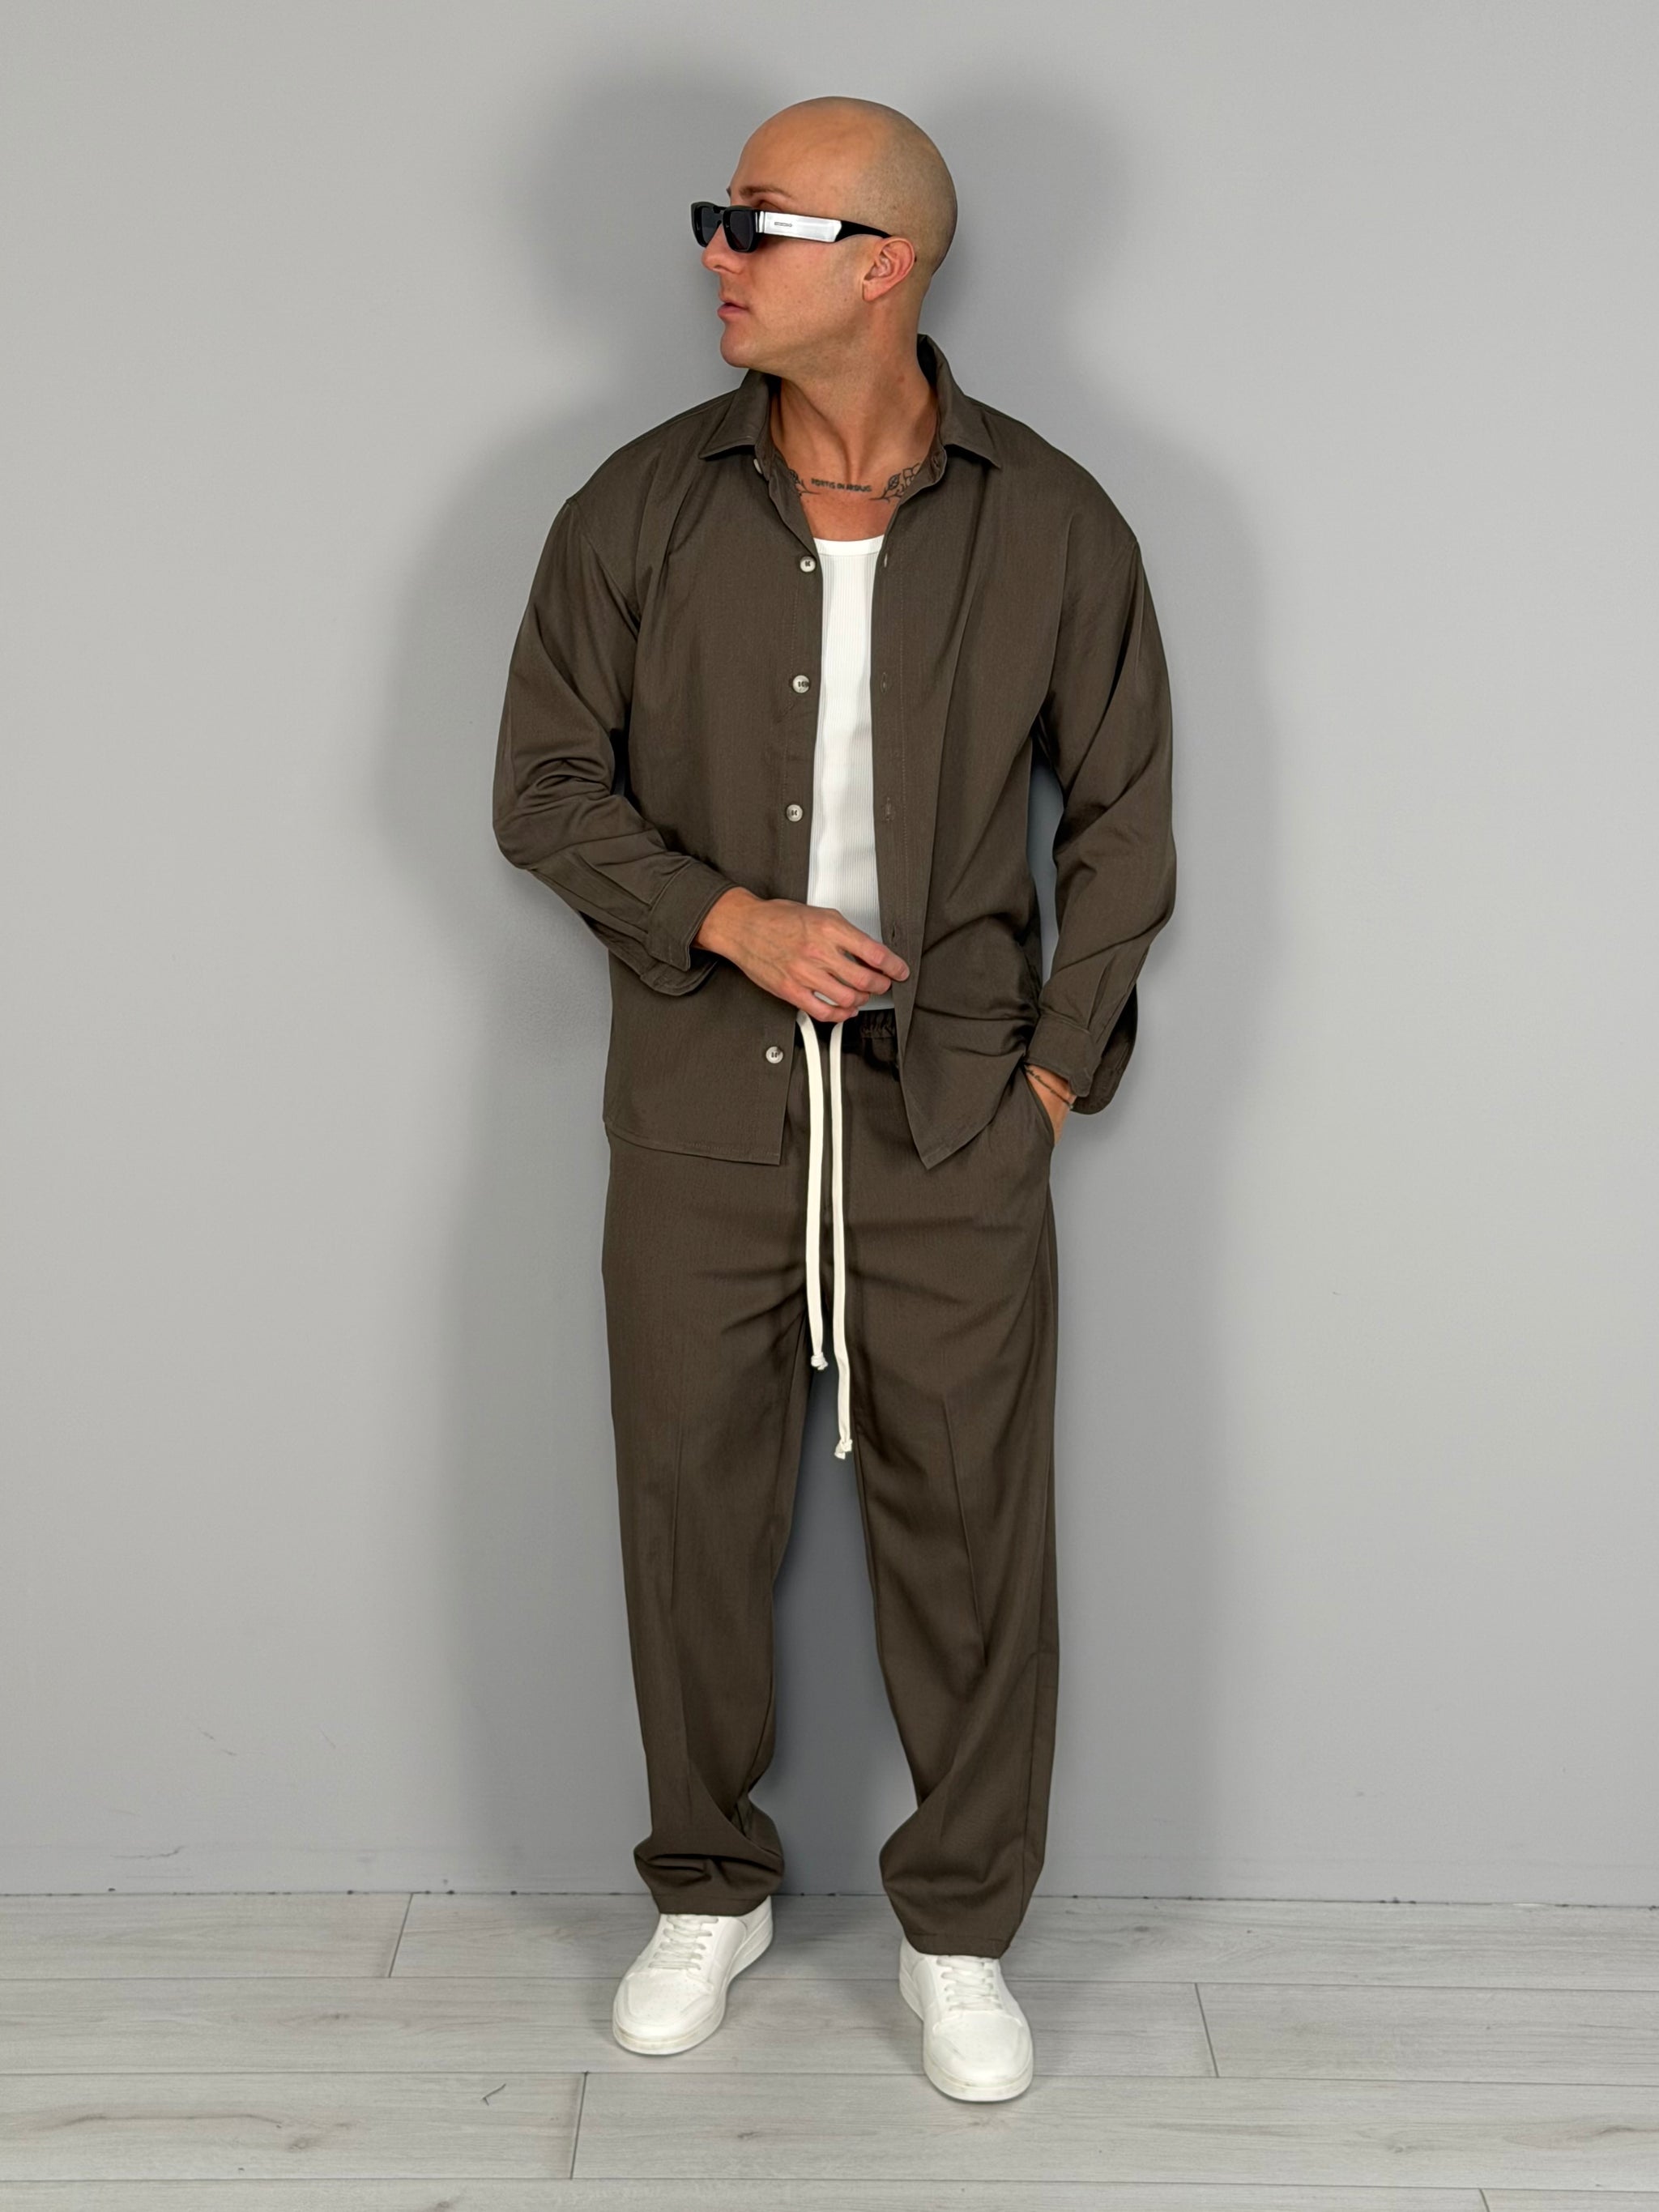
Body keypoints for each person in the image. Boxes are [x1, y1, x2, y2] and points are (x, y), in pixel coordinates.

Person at [492, 94, 1175, 2103]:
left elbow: (1124, 829)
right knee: (688, 1509)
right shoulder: (636, 507)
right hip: (699, 1106)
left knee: (970, 1534)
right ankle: (705, 1890)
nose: (713, 252)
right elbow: (539, 785)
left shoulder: (1057, 523)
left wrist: (1049, 1081)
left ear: (883, 264)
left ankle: (958, 1934)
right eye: (714, 217)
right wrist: (728, 919)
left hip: (955, 1114)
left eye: (757, 223)